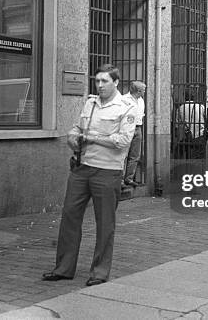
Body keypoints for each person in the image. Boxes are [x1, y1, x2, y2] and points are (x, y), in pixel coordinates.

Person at [42, 64, 136, 286]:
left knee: (105, 224)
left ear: (116, 82)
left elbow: (123, 141)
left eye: (105, 81)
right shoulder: (90, 103)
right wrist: (72, 137)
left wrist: (93, 138)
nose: (100, 85)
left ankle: (100, 272)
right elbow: (77, 127)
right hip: (82, 168)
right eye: (97, 81)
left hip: (108, 171)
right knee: (69, 217)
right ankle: (64, 268)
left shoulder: (126, 107)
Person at [122, 81, 146, 187]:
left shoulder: (141, 101)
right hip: (127, 128)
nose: (145, 91)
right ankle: (120, 180)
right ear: (138, 90)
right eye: (143, 89)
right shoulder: (124, 99)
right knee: (123, 155)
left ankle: (129, 178)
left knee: (135, 155)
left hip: (138, 128)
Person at [176, 89, 206, 159]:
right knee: (199, 157)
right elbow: (206, 119)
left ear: (184, 97)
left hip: (188, 137)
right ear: (194, 96)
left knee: (181, 150)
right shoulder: (201, 107)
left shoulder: (180, 108)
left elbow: (177, 124)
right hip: (200, 136)